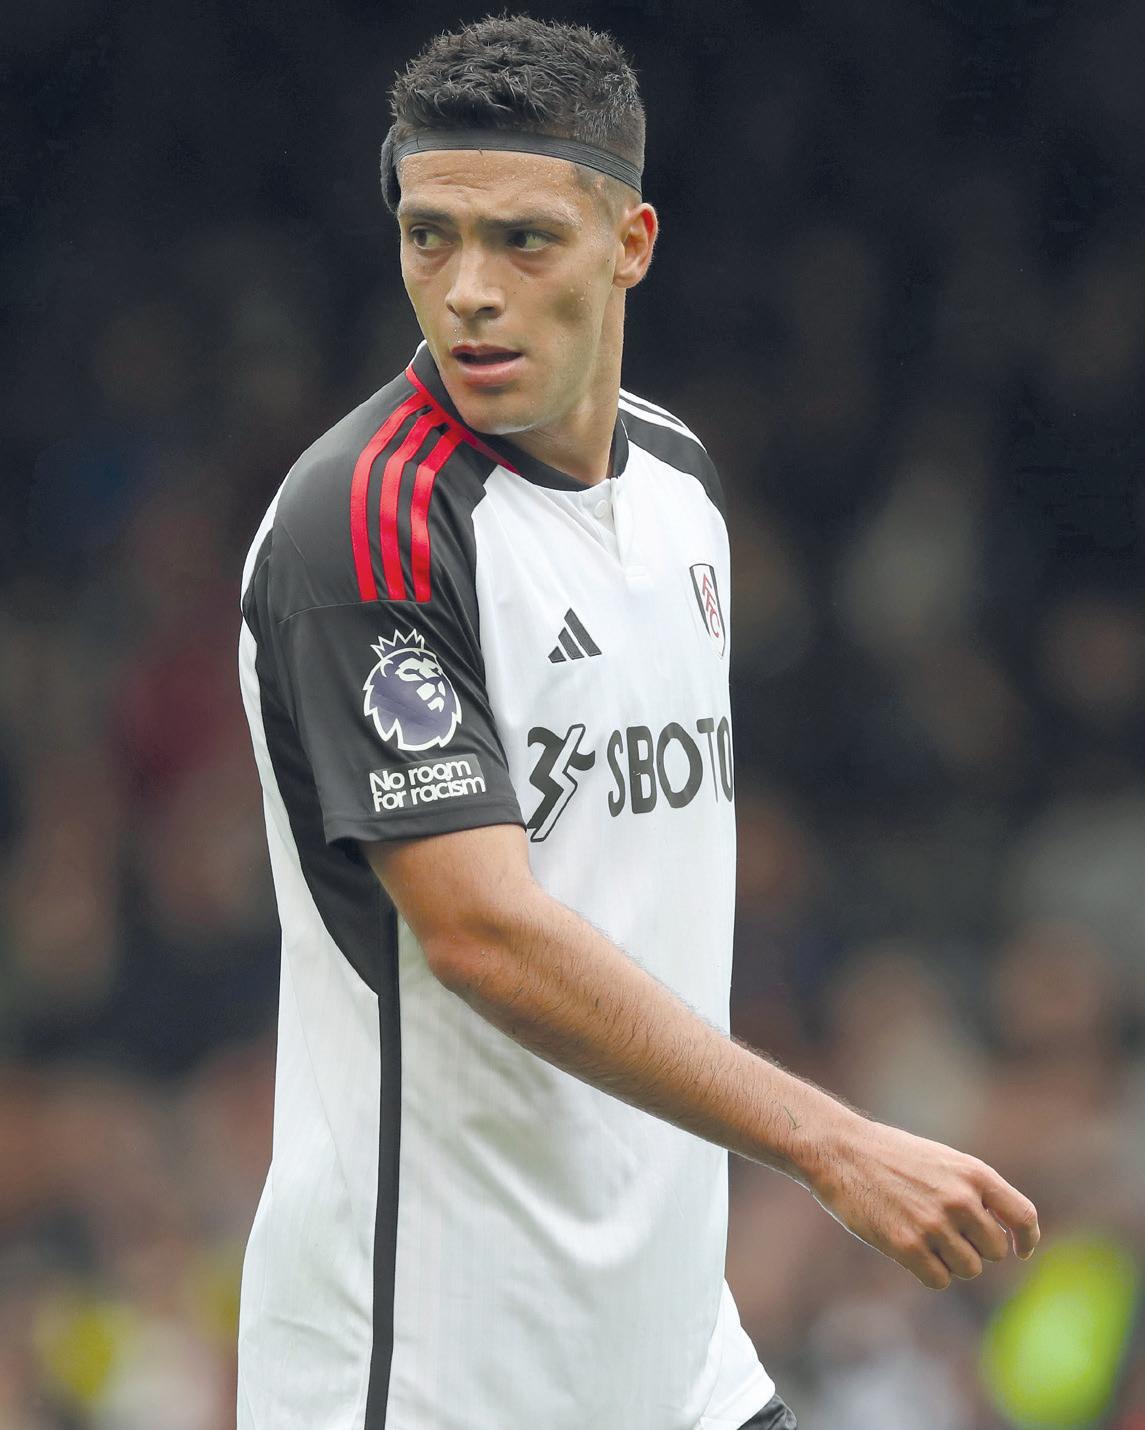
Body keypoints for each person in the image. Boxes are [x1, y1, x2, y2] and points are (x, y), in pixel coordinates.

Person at [236, 16, 1040, 1430]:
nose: (468, 290)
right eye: (430, 237)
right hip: (437, 1365)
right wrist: (828, 1141)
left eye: (524, 241)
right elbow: (484, 933)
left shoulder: (679, 483)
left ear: (631, 243)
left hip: (675, 1355)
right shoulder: (365, 524)